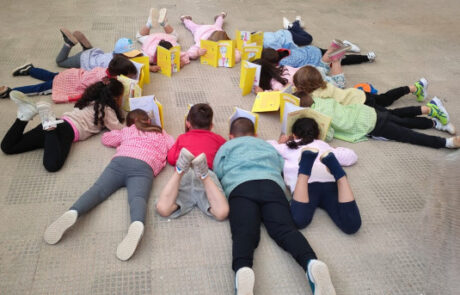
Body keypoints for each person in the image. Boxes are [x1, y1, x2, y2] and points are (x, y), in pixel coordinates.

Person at [213, 117, 336, 295]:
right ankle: (311, 262)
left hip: (240, 187)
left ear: (230, 136)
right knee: (285, 230)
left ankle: (243, 269)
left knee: (244, 233)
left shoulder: (226, 147)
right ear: (255, 134)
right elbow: (280, 165)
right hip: (271, 186)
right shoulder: (266, 145)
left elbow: (219, 170)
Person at [43, 109, 174, 261]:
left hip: (120, 162)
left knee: (97, 190)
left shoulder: (127, 130)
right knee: (138, 198)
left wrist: (120, 132)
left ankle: (73, 212)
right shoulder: (161, 133)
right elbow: (173, 149)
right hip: (144, 167)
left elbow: (106, 139)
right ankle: (137, 223)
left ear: (130, 123)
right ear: (149, 121)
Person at [1, 78, 125, 172]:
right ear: (114, 98)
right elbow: (119, 129)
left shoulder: (88, 100)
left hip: (59, 122)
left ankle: (23, 117)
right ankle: (49, 125)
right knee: (52, 166)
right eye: (121, 97)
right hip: (66, 132)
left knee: (8, 147)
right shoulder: (106, 110)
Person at [268, 118, 361, 233]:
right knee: (352, 226)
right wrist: (337, 149)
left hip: (306, 187)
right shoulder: (324, 146)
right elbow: (352, 156)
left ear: (294, 135)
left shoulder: (289, 146)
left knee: (298, 221)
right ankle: (340, 175)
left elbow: (266, 146)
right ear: (318, 135)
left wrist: (280, 142)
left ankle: (304, 170)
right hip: (330, 185)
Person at [292, 88, 460, 149]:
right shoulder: (321, 100)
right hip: (368, 112)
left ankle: (445, 143)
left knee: (407, 135)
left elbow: (328, 134)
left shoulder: (318, 116)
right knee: (402, 120)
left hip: (370, 127)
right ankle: (433, 121)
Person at [156, 103, 229, 221]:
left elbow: (170, 158)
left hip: (186, 173)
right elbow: (226, 153)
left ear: (187, 123)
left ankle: (179, 170)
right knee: (221, 213)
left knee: (163, 209)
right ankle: (204, 176)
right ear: (211, 126)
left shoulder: (182, 137)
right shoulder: (217, 138)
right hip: (207, 174)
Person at [0, 55, 137, 103]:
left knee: (53, 76)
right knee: (41, 88)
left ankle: (30, 69)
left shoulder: (106, 69)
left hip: (72, 74)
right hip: (71, 83)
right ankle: (11, 91)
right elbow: (89, 92)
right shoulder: (103, 81)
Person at [293, 65, 431, 108]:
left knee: (386, 105)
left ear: (306, 87)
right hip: (357, 94)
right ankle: (414, 87)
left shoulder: (318, 96)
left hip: (361, 103)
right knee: (385, 98)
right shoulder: (323, 85)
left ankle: (417, 94)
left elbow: (309, 104)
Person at [53, 27, 142, 70]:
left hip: (93, 53)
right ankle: (69, 43)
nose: (130, 58)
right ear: (119, 55)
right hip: (82, 60)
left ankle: (86, 47)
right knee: (60, 61)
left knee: (96, 59)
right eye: (128, 56)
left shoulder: (115, 54)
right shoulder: (112, 65)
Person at [135, 8, 191, 72]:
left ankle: (155, 23)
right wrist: (150, 68)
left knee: (175, 36)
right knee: (139, 37)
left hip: (167, 39)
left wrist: (182, 62)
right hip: (152, 40)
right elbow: (138, 61)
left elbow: (186, 55)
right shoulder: (150, 55)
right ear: (156, 55)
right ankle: (158, 23)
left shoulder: (174, 53)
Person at [252, 57, 345, 92]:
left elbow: (279, 96)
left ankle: (336, 60)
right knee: (323, 69)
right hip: (311, 69)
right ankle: (330, 52)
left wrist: (262, 93)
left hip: (313, 79)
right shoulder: (278, 68)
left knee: (339, 86)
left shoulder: (277, 84)